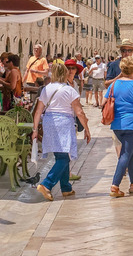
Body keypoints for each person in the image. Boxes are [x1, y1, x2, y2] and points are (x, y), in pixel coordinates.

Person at [33, 61, 91, 201]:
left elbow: (38, 111)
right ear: (64, 73)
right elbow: (79, 112)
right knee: (64, 156)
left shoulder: (46, 89)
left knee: (61, 155)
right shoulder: (69, 90)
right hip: (64, 123)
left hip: (49, 122)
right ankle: (47, 184)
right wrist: (87, 129)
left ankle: (66, 188)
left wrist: (35, 129)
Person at [105, 57, 133, 197]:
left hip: (117, 125)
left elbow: (104, 101)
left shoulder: (113, 85)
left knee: (132, 152)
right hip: (132, 124)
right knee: (125, 154)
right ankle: (115, 185)